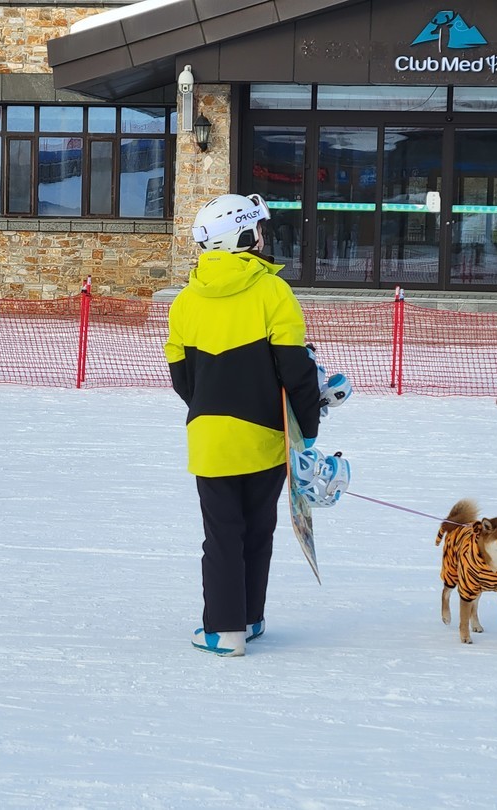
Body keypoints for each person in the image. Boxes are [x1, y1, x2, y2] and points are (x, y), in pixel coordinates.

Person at [164, 192, 349, 658]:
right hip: (267, 438)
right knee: (257, 529)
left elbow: (182, 379)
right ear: (241, 238)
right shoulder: (273, 291)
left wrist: (212, 407)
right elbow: (297, 372)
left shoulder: (185, 301)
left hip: (210, 440)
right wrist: (305, 432)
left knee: (222, 533)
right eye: (257, 231)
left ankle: (226, 628)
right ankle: (247, 618)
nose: (263, 238)